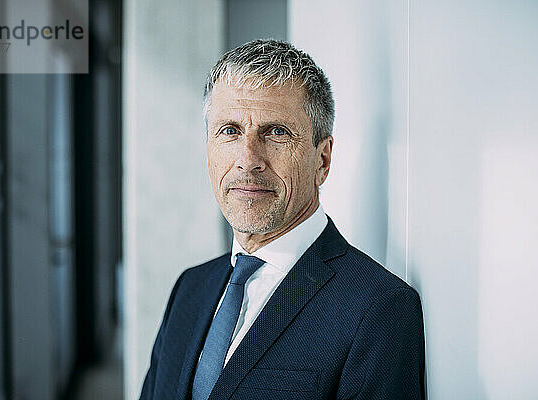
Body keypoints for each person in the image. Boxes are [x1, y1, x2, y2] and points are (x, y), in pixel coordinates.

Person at [140, 39, 425, 400]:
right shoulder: (190, 288)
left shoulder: (380, 309)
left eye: (276, 132)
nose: (248, 159)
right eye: (230, 131)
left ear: (321, 160)